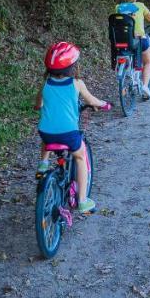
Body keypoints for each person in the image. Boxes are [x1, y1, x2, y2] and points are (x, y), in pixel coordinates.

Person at [36, 41, 109, 214]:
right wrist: (104, 104)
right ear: (71, 66)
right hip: (68, 134)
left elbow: (38, 104)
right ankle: (82, 200)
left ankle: (43, 164)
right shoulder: (76, 83)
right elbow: (91, 101)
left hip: (46, 134)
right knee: (80, 156)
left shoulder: (45, 84)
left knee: (47, 131)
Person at [115, 0, 150, 99]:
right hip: (140, 40)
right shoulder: (140, 6)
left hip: (123, 41)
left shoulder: (118, 7)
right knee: (148, 62)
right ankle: (145, 86)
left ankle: (125, 81)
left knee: (128, 58)